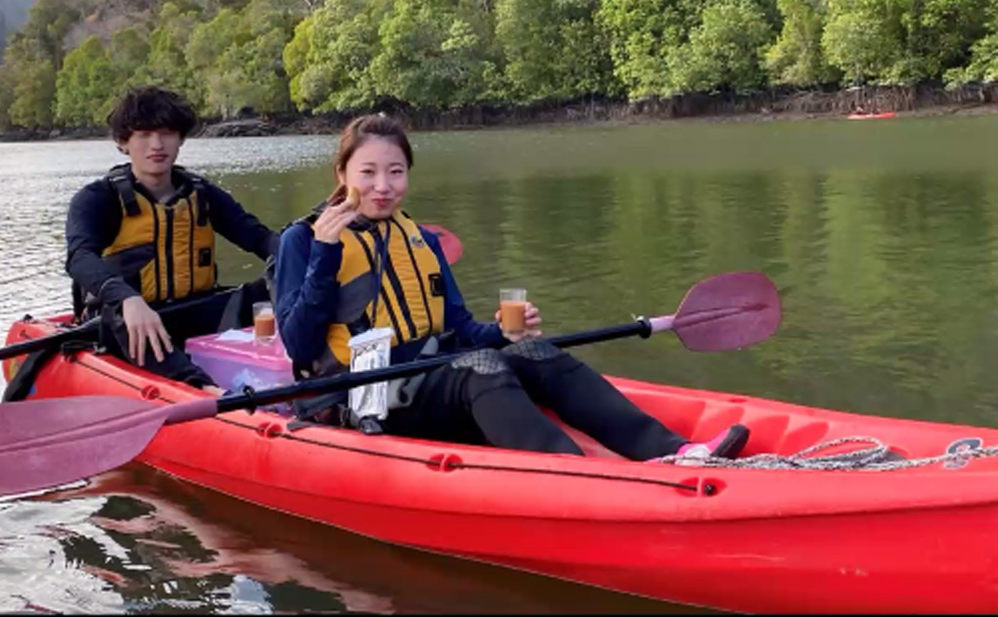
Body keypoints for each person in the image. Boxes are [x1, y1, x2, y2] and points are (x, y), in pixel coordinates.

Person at [272, 114, 749, 461]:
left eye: (396, 172)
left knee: (537, 353)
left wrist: (501, 332)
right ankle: (578, 477)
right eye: (368, 173)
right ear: (343, 175)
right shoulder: (305, 239)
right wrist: (325, 254)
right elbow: (299, 345)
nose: (383, 186)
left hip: (430, 374)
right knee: (482, 371)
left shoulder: (417, 236)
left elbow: (458, 327)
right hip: (365, 396)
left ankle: (677, 452)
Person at [65, 85, 280, 389]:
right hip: (131, 319)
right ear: (123, 142)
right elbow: (79, 258)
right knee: (123, 320)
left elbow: (259, 239)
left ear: (180, 139)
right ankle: (206, 390)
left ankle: (312, 368)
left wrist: (304, 255)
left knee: (268, 288)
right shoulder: (97, 199)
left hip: (194, 311)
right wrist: (126, 297)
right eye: (144, 134)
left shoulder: (202, 194)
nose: (157, 144)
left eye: (167, 133)